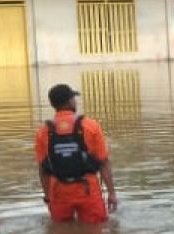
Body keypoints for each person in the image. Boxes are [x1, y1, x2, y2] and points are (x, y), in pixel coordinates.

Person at [34, 83, 117, 223]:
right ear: (70, 101)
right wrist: (112, 193)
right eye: (74, 98)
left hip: (58, 191)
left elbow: (43, 170)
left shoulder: (43, 132)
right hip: (88, 189)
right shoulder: (90, 126)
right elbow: (103, 162)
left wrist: (48, 197)